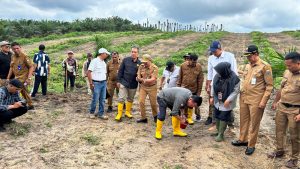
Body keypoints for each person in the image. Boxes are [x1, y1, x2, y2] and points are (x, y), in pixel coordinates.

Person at [232, 45, 273, 155]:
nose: (248, 58)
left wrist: (263, 101)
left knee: (254, 123)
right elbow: (242, 74)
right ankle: (243, 139)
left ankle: (251, 144)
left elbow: (269, 86)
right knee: (243, 120)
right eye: (247, 56)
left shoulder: (265, 67)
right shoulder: (247, 66)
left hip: (256, 100)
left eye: (250, 56)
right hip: (244, 98)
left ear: (256, 54)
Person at [267, 52, 300, 168]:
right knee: (279, 130)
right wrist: (276, 101)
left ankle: (294, 158)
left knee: (294, 136)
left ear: (298, 63)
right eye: (286, 65)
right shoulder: (287, 72)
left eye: (289, 65)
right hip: (282, 107)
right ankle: (280, 150)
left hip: (295, 110)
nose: (287, 68)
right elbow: (281, 88)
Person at [206, 40, 238, 129]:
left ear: (220, 49)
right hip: (215, 84)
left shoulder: (230, 56)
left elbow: (234, 71)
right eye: (212, 51)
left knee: (227, 103)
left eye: (215, 51)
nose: (213, 53)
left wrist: (231, 86)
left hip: (227, 84)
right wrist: (208, 85)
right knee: (215, 103)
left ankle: (230, 122)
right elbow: (210, 73)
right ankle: (215, 123)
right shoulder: (211, 58)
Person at [210, 62, 240, 142]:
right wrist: (212, 96)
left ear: (225, 70)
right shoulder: (217, 76)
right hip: (218, 100)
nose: (218, 73)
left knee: (224, 116)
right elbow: (213, 86)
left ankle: (221, 134)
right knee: (217, 115)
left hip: (227, 102)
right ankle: (218, 131)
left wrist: (228, 99)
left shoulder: (235, 78)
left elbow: (235, 91)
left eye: (220, 71)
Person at [115, 45, 141, 121]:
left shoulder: (140, 63)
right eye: (132, 52)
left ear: (138, 53)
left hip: (133, 84)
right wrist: (119, 81)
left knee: (130, 99)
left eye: (135, 52)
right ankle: (119, 114)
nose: (133, 53)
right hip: (124, 82)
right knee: (121, 98)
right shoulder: (125, 60)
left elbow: (140, 74)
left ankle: (127, 112)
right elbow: (120, 71)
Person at [177, 53, 204, 124]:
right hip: (184, 89)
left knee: (192, 104)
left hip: (194, 89)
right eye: (193, 62)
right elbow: (180, 77)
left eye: (195, 62)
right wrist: (178, 88)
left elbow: (200, 80)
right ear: (189, 60)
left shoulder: (199, 66)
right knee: (183, 104)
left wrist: (198, 92)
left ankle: (191, 117)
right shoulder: (183, 65)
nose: (194, 64)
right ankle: (185, 117)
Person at [7, 42, 34, 110]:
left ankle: (13, 105)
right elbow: (11, 67)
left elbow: (31, 67)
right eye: (14, 49)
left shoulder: (25, 56)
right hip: (16, 77)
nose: (16, 50)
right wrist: (8, 77)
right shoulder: (12, 56)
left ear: (20, 47)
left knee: (14, 91)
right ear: (12, 49)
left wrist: (29, 78)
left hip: (23, 78)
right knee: (24, 92)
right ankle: (30, 105)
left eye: (17, 48)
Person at [88, 48, 110, 120]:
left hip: (103, 83)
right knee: (95, 99)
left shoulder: (103, 62)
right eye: (106, 54)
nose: (107, 55)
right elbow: (89, 72)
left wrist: (106, 82)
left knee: (102, 99)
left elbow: (105, 74)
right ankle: (92, 112)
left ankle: (101, 113)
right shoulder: (94, 61)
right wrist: (91, 83)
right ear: (102, 53)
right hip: (96, 83)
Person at [136, 54, 158, 123]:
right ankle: (143, 118)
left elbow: (153, 79)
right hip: (143, 87)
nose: (144, 64)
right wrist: (138, 78)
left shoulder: (155, 68)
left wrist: (142, 79)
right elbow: (138, 75)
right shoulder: (141, 66)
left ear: (150, 61)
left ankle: (155, 116)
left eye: (146, 62)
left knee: (153, 103)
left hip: (152, 87)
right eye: (143, 62)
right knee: (141, 101)